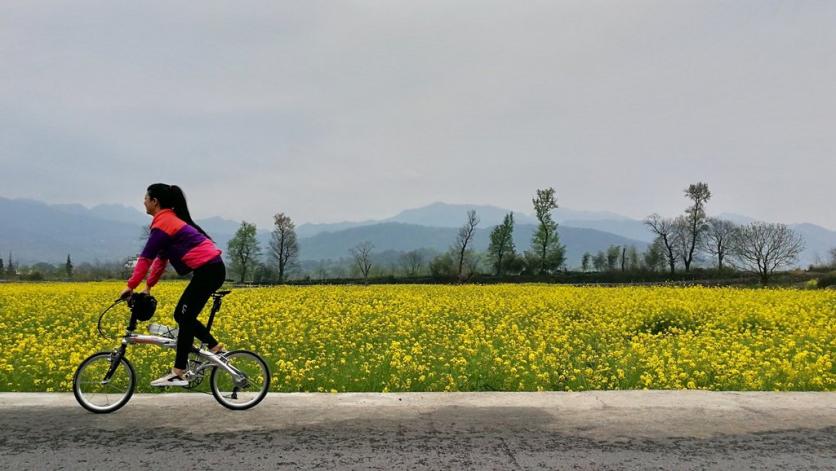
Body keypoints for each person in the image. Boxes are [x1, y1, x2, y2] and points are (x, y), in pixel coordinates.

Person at [120, 183, 227, 387]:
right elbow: (161, 260)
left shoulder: (164, 223)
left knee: (185, 317)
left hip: (210, 271)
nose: (143, 201)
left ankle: (179, 371)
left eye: (145, 197)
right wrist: (148, 286)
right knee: (181, 315)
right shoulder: (166, 222)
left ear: (155, 202)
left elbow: (145, 258)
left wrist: (131, 285)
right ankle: (214, 347)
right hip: (209, 270)